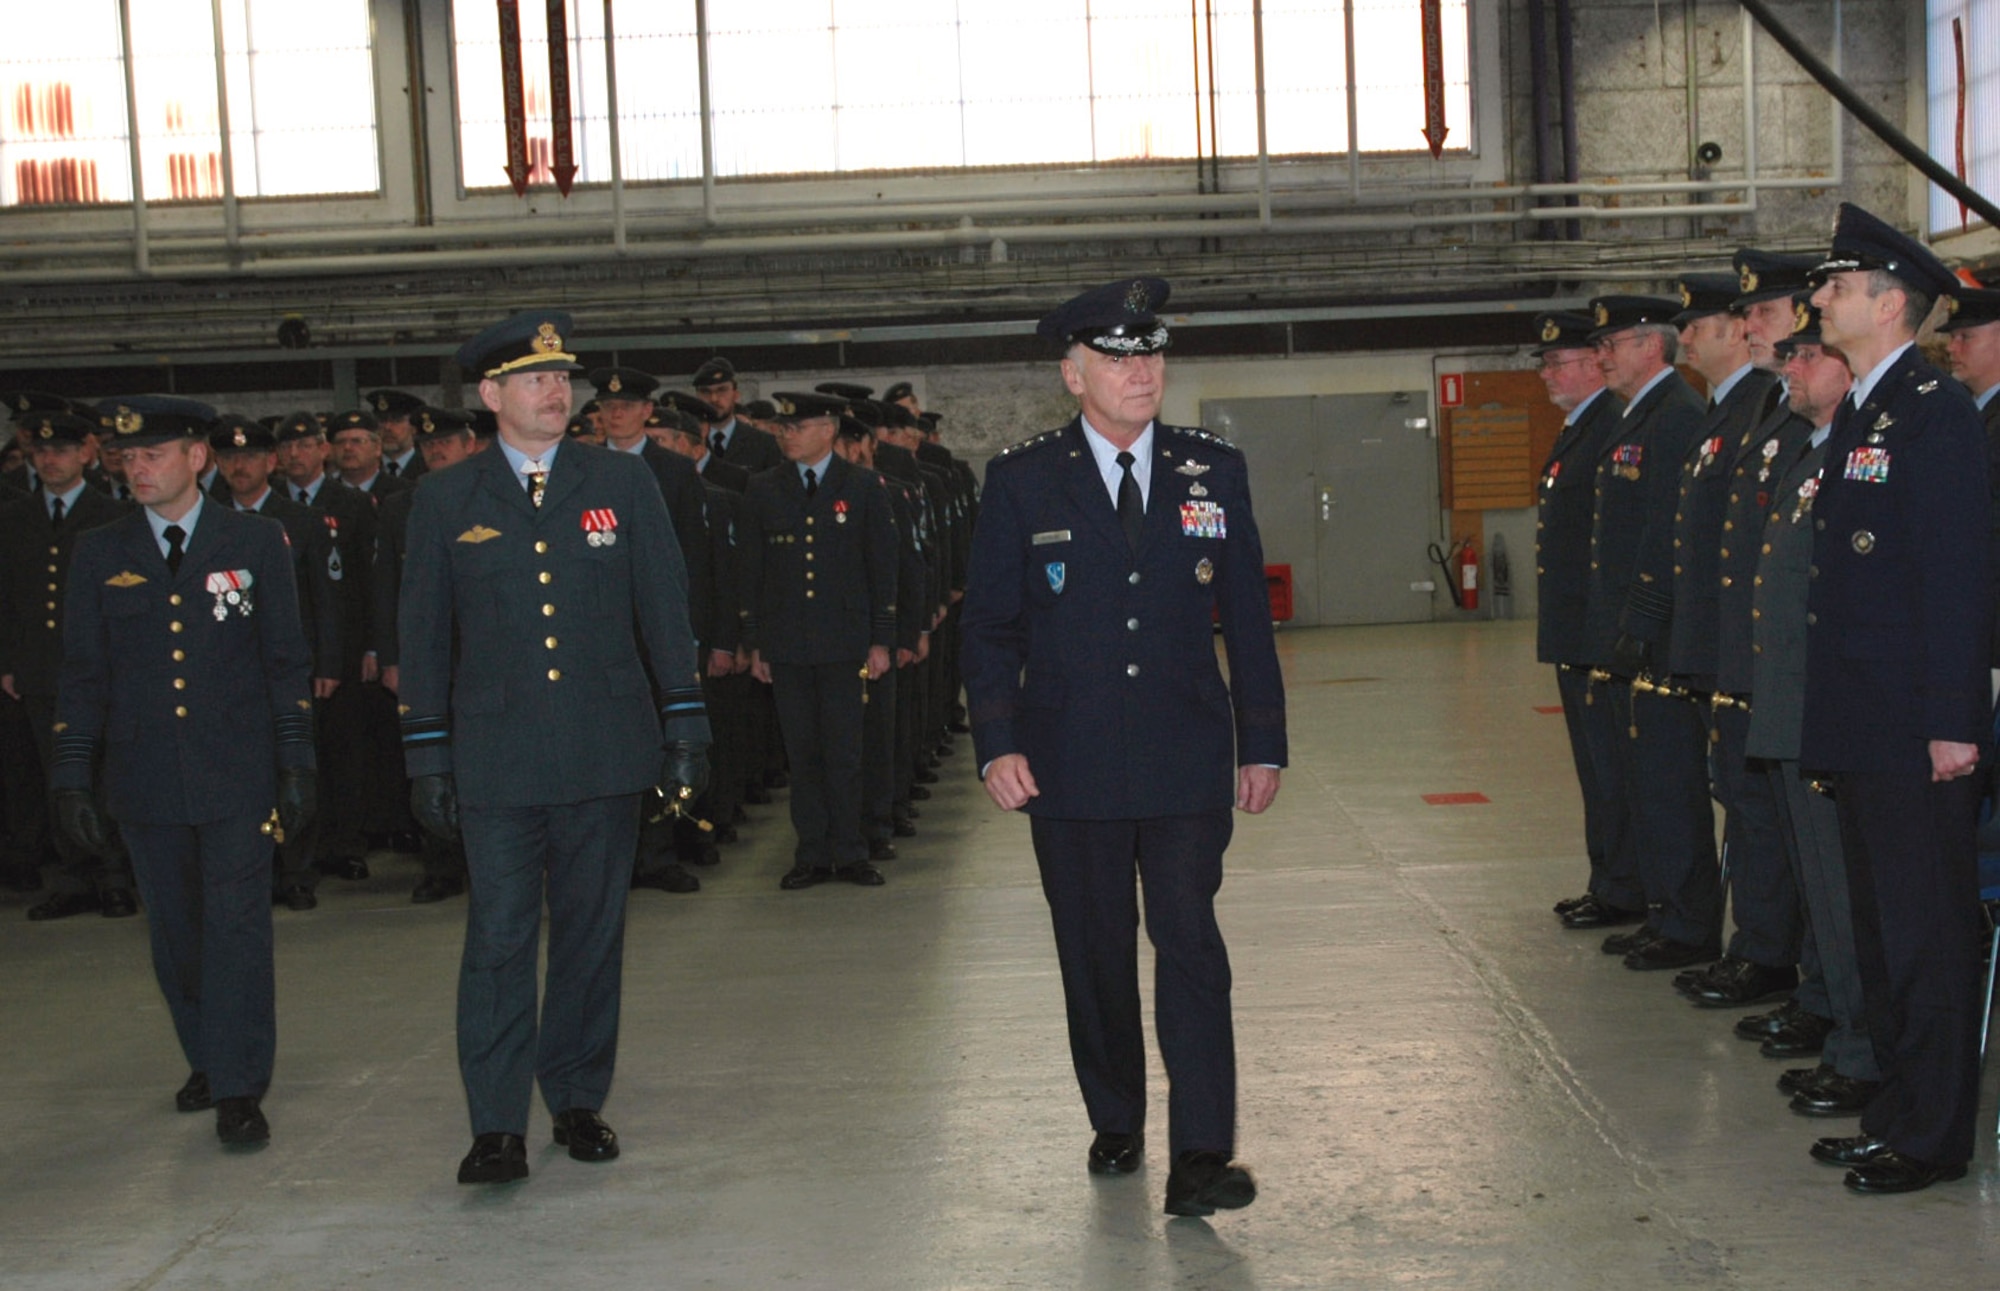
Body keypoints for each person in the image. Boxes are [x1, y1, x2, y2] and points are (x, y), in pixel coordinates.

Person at [961, 277, 1286, 1218]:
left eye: (1150, 354)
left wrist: (1261, 740)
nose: (1141, 372)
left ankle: (1201, 1153)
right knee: (1095, 951)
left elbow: (1248, 619)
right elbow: (990, 627)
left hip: (1187, 755)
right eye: (1116, 356)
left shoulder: (1210, 469)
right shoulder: (1022, 480)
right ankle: (1115, 1113)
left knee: (1190, 943)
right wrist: (996, 741)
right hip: (1069, 762)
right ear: (1074, 374)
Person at [397, 310, 710, 1185]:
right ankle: (496, 1124)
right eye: (535, 378)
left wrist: (684, 725)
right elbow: (422, 637)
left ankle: (576, 1097)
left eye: (562, 376)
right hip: (495, 758)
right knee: (498, 936)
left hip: (605, 749)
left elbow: (665, 611)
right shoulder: (444, 499)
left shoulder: (623, 482)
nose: (556, 390)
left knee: (590, 931)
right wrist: (427, 754)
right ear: (492, 394)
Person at [53, 394, 317, 1147]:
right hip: (145, 776)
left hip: (237, 770)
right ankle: (206, 1054)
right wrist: (73, 773)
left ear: (196, 458)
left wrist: (296, 762)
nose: (136, 468)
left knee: (236, 928)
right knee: (176, 933)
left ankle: (239, 1083)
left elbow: (284, 661)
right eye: (127, 457)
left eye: (153, 454)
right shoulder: (101, 552)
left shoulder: (256, 539)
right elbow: (82, 674)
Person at [1797, 204, 1990, 1195]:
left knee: (1926, 935)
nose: (1817, 299)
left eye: (1832, 286)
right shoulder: (1868, 411)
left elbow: (1956, 578)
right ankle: (1894, 1110)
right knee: (1881, 934)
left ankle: (1933, 1135)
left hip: (1918, 731)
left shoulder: (1930, 411)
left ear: (1886, 301)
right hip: (1867, 723)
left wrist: (1952, 723)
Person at [1741, 298, 1882, 1121]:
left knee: (1844, 889)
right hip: (1794, 703)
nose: (1789, 370)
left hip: (1828, 708)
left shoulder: (1860, 452)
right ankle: (1842, 1029)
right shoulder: (1813, 450)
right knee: (1823, 887)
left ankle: (1864, 1048)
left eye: (1805, 355)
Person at [1584, 295, 1718, 972]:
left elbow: (1669, 535)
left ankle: (1690, 922)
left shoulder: (1676, 419)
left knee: (1672, 783)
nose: (1601, 355)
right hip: (1633, 633)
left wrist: (1642, 620)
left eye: (1614, 343)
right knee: (1647, 781)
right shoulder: (1640, 416)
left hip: (1661, 635)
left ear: (1651, 346)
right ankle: (1667, 910)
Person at [737, 392, 898, 889]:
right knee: (803, 754)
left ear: (828, 430)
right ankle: (810, 852)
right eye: (783, 428)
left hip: (845, 643)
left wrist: (881, 639)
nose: (786, 434)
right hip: (787, 645)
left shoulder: (864, 485)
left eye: (797, 426)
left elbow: (882, 566)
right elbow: (752, 570)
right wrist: (755, 641)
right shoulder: (763, 488)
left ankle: (850, 850)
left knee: (845, 753)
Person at [0, 409, 136, 919]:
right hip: (39, 669)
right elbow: (7, 596)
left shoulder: (112, 515)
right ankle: (75, 875)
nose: (48, 460)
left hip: (102, 668)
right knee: (59, 772)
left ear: (87, 453)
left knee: (107, 771)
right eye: (40, 452)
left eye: (60, 450)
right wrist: (9, 660)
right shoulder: (14, 517)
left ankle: (115, 874)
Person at [208, 415, 345, 912]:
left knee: (296, 766)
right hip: (227, 670)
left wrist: (327, 662)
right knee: (240, 773)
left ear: (271, 463)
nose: (239, 466)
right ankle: (253, 869)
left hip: (289, 666)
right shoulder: (206, 520)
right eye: (229, 458)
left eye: (248, 457)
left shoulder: (302, 520)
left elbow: (326, 599)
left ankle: (297, 871)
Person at [1532, 312, 1636, 932]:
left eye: (1558, 362)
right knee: (1594, 767)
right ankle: (1609, 878)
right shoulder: (1583, 427)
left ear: (1595, 365)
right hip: (1575, 631)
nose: (1547, 374)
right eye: (1544, 364)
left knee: (1611, 765)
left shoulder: (1609, 427)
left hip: (1597, 631)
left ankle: (1623, 883)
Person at [693, 358, 784, 472]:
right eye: (705, 391)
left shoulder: (764, 443)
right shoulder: (688, 441)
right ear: (697, 397)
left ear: (735, 395)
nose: (714, 399)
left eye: (722, 390)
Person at [365, 389, 430, 482]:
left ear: (413, 428)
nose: (387, 427)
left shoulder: (429, 467)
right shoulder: (364, 469)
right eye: (382, 420)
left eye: (397, 420)